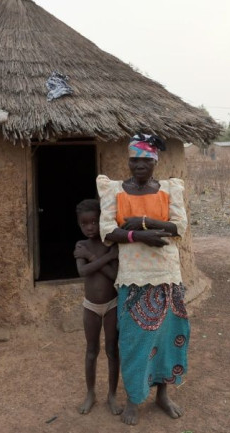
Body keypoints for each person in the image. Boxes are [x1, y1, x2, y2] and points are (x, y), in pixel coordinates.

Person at [96, 134, 190, 426]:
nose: (139, 165)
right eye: (134, 159)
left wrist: (145, 222)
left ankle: (162, 394)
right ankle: (134, 399)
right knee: (133, 343)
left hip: (167, 277)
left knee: (166, 340)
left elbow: (179, 228)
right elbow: (108, 231)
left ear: (154, 162)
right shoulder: (115, 191)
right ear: (129, 161)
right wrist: (139, 235)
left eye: (145, 160)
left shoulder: (169, 190)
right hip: (133, 279)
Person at [73, 199, 122, 415]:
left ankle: (112, 395)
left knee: (112, 350)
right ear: (79, 224)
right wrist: (105, 258)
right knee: (91, 350)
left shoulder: (110, 244)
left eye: (94, 221)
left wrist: (94, 259)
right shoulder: (81, 246)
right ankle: (90, 393)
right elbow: (83, 272)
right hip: (91, 306)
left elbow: (114, 276)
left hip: (112, 305)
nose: (90, 227)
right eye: (84, 223)